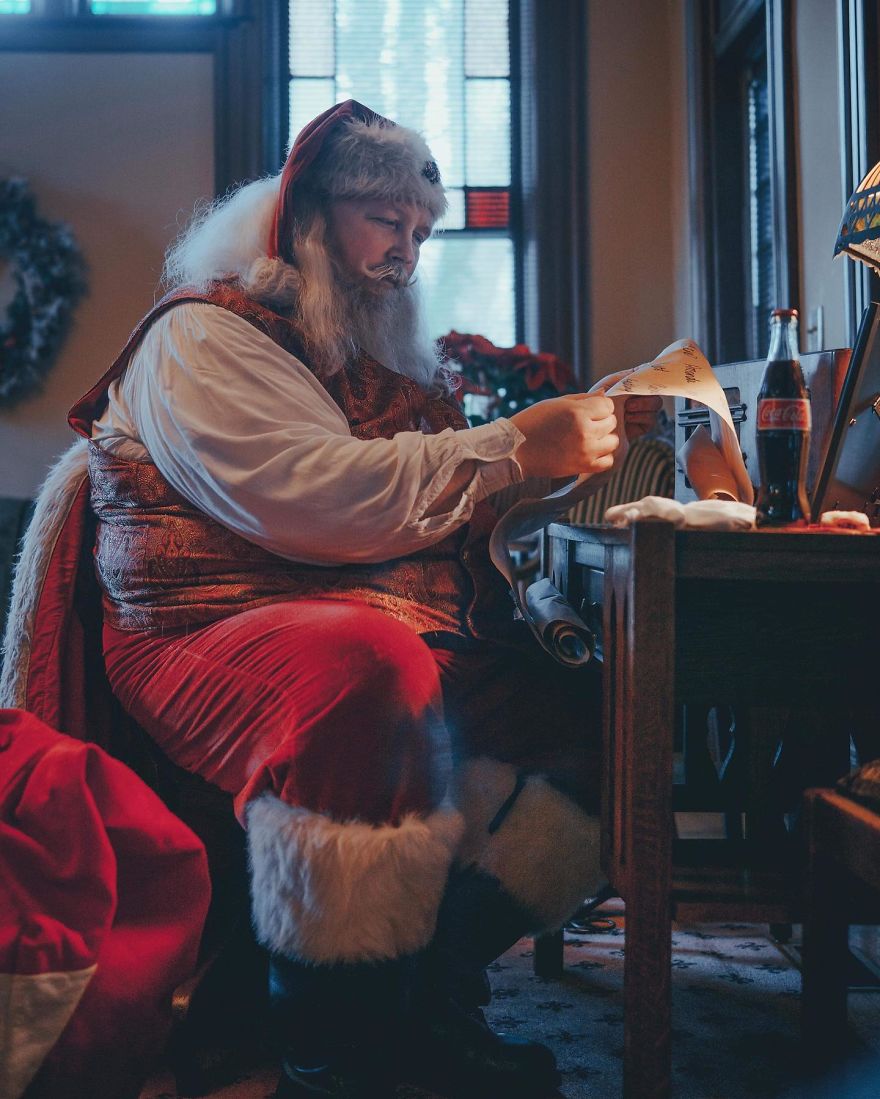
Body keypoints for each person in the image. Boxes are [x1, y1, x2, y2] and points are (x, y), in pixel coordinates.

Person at [69, 100, 658, 1098]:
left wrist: (551, 475)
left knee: (586, 711)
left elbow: (419, 510)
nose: (406, 251)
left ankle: (427, 991)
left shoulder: (373, 357)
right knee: (362, 671)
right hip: (202, 625)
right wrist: (514, 444)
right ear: (304, 216)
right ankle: (340, 1060)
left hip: (368, 610)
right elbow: (312, 500)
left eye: (421, 232)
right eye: (386, 219)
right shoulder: (205, 334)